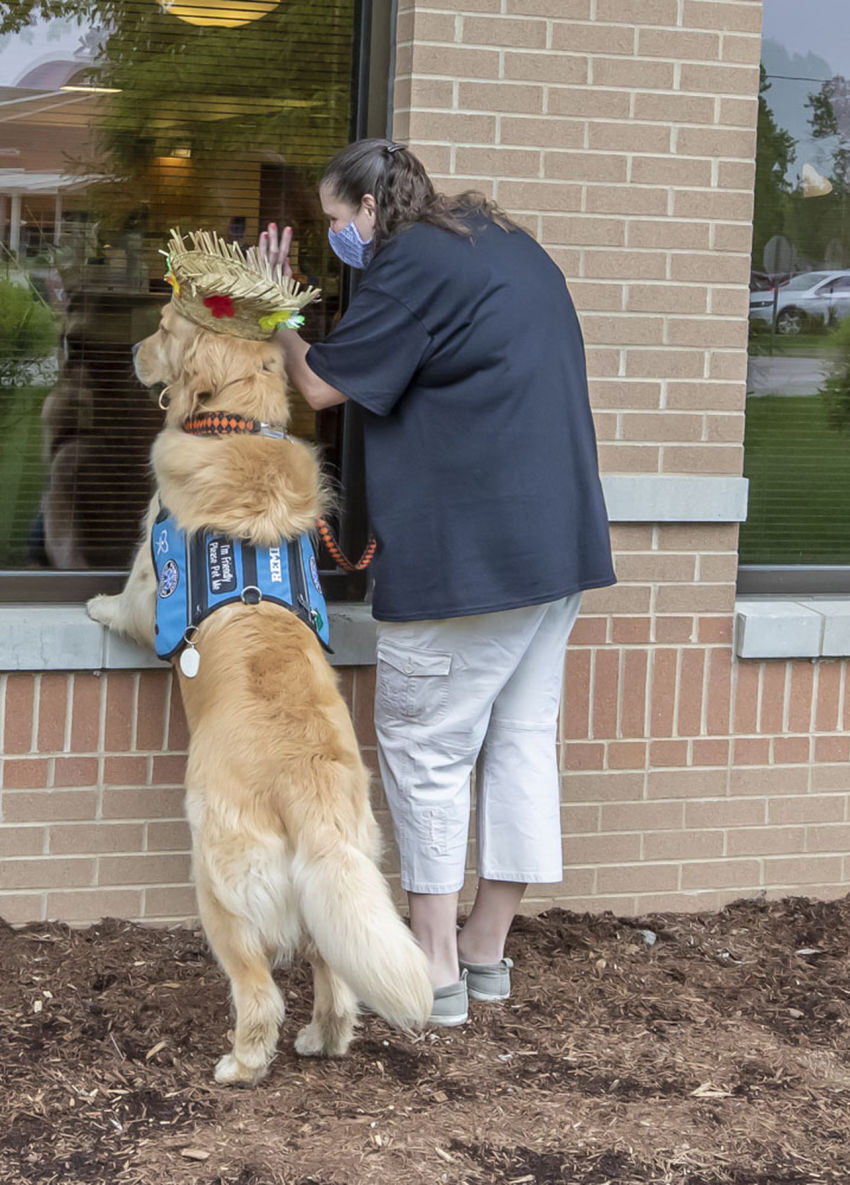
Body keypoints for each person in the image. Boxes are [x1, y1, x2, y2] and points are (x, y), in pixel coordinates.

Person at [260, 139, 615, 1027]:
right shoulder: (497, 240)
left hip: (473, 563)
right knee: (521, 741)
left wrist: (275, 310)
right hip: (555, 548)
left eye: (336, 220)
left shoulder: (412, 261)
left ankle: (435, 968)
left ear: (369, 210)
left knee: (425, 748)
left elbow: (319, 385)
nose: (336, 236)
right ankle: (485, 948)